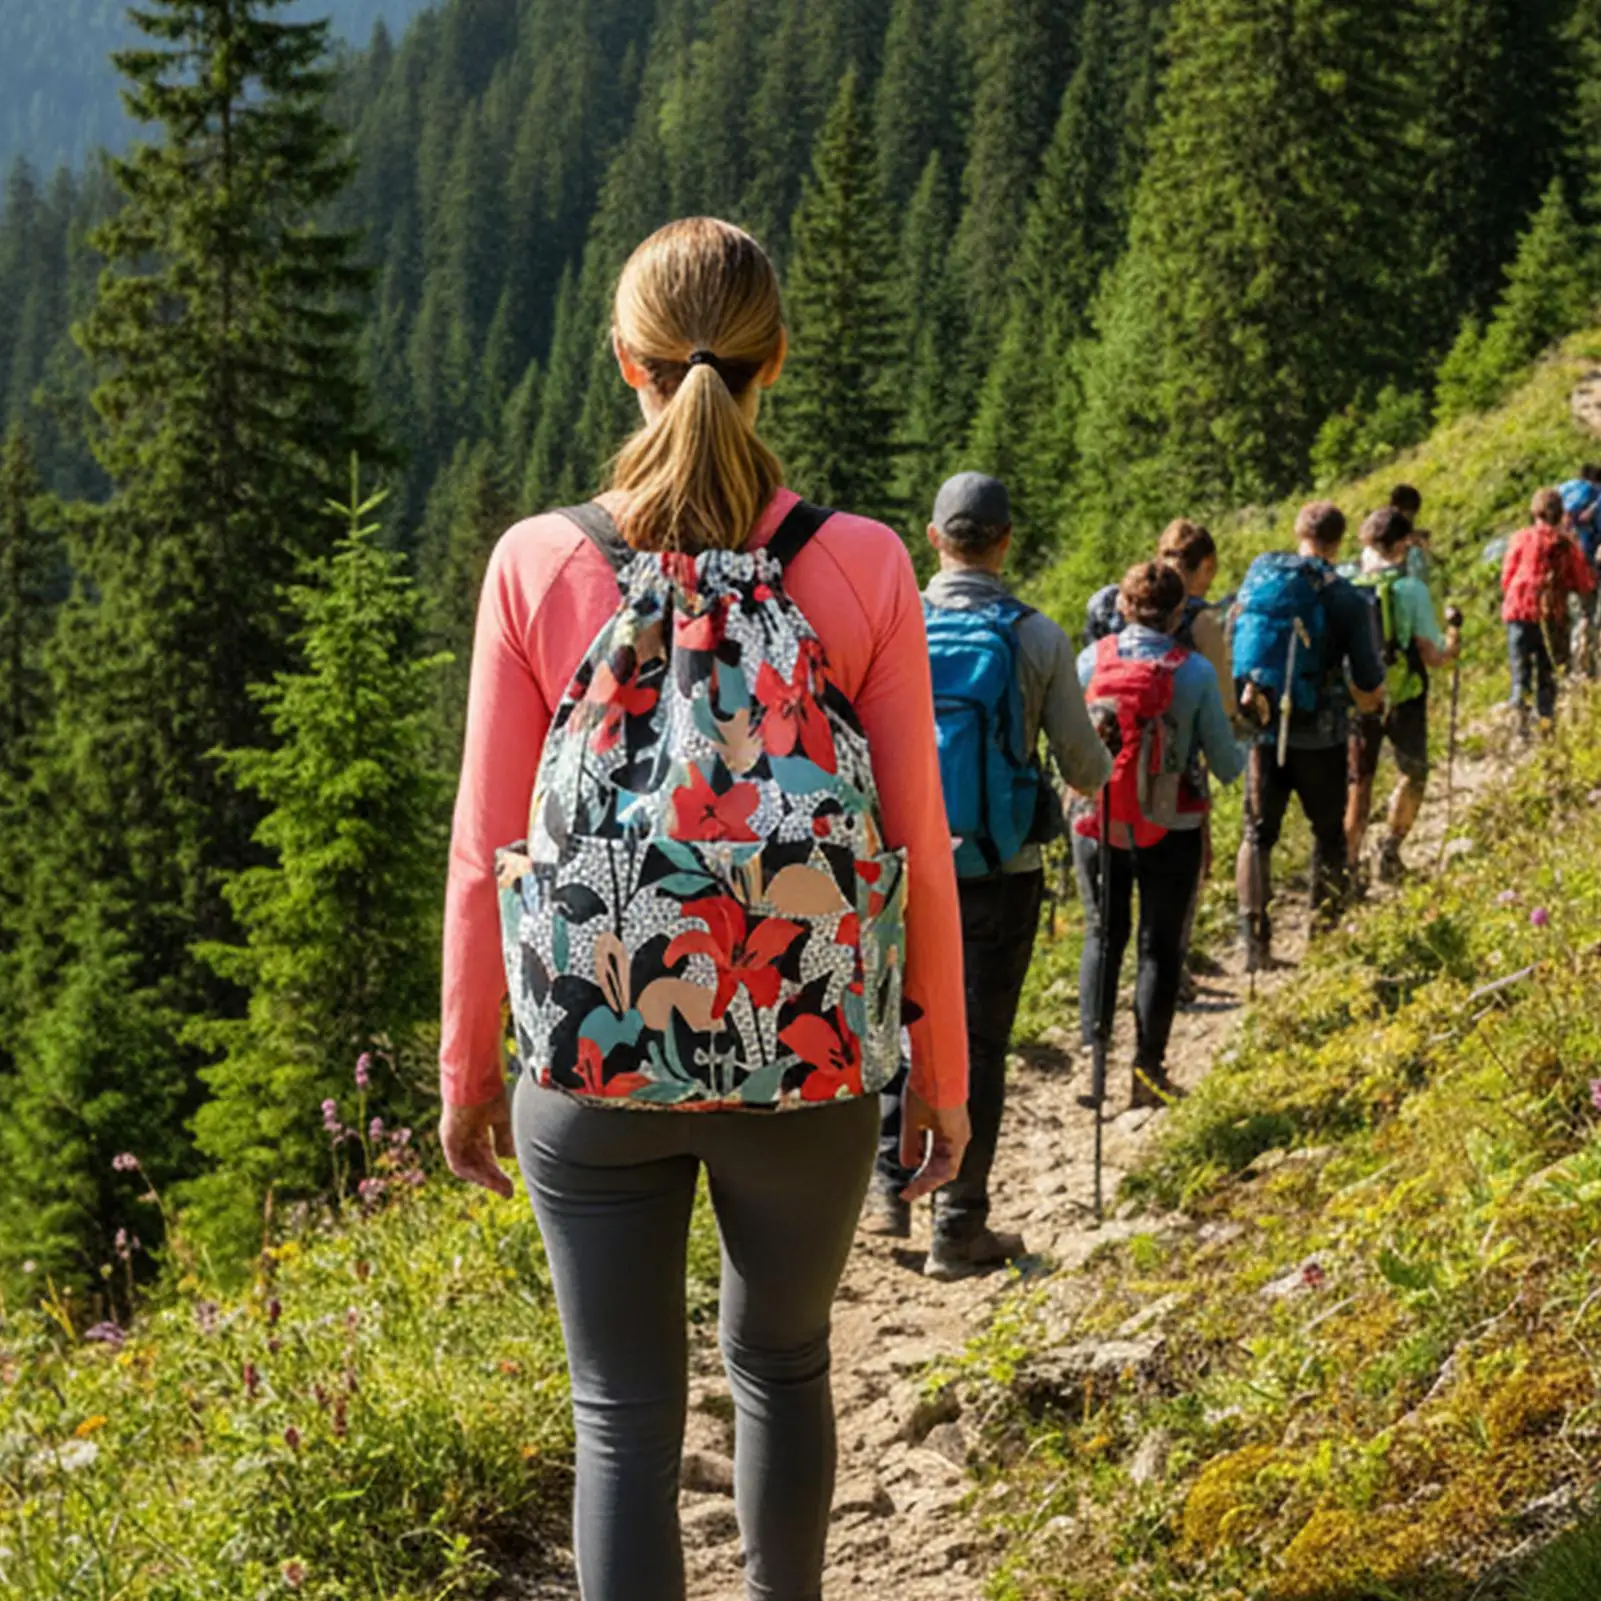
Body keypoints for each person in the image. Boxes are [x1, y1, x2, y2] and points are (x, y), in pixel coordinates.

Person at [437, 218, 971, 1601]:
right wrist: (944, 1072)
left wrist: (468, 1071)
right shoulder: (861, 562)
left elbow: (485, 848)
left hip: (594, 1046)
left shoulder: (536, 562)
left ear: (625, 362)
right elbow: (915, 839)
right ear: (774, 361)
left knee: (618, 1413)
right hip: (808, 1052)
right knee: (784, 1368)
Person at [863, 472, 1112, 1281]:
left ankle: (888, 1188)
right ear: (1005, 541)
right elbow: (1082, 764)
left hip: (899, 865)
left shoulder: (893, 625)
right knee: (978, 1044)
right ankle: (958, 1224)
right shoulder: (1036, 638)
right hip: (999, 868)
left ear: (932, 538)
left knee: (899, 1020)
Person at [1074, 562, 1245, 1109]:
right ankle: (1147, 1075)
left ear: (1122, 608)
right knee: (1159, 947)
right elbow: (1225, 764)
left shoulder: (1087, 662)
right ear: (1178, 614)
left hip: (1097, 818)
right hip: (1172, 825)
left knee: (1103, 936)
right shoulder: (1193, 673)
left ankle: (1093, 1068)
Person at [1233, 501, 1387, 971]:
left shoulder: (1260, 581)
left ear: (1298, 532)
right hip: (1320, 736)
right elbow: (1366, 681)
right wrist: (1370, 705)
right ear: (1339, 541)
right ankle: (1324, 939)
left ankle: (1254, 942)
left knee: (1257, 835)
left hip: (1261, 731)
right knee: (1328, 836)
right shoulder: (1345, 596)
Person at [1345, 508, 1463, 885]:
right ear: (1400, 545)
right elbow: (1435, 655)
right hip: (1405, 696)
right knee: (1413, 772)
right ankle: (1391, 850)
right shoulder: (1411, 589)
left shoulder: (1347, 586)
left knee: (1359, 782)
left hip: (1360, 696)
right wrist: (1454, 633)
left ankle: (1348, 865)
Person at [1155, 519, 1234, 1000]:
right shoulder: (1199, 619)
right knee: (1189, 869)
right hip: (1182, 765)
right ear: (1203, 565)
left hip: (1119, 762)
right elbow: (1223, 708)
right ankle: (1172, 967)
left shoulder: (1129, 600)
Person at [1502, 486, 1597, 737]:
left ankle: (1519, 730)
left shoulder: (1520, 538)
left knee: (1521, 674)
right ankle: (1547, 728)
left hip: (1519, 613)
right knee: (1547, 675)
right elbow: (1583, 583)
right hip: (1552, 616)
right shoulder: (1566, 544)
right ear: (1560, 514)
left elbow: (1506, 579)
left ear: (1535, 513)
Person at [1559, 465, 1601, 675]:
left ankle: (1567, 668)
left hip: (1558, 564)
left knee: (1568, 617)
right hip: (1585, 564)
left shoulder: (1562, 491)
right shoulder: (1597, 496)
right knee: (1588, 615)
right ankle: (1586, 669)